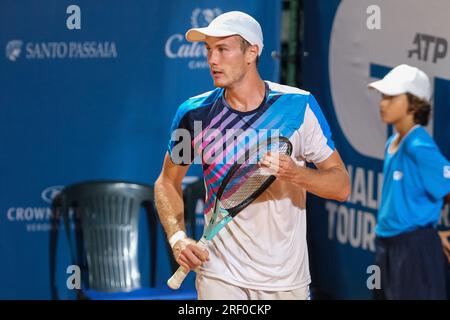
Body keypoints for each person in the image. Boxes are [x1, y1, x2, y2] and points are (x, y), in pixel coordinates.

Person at [155, 11, 350, 300]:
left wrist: (296, 173)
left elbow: (341, 186)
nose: (212, 60)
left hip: (285, 280)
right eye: (208, 50)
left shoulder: (299, 106)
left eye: (222, 49)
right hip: (219, 275)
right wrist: (177, 238)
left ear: (252, 52)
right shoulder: (193, 114)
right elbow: (167, 183)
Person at [368, 64, 450, 299]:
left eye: (392, 97)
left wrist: (434, 236)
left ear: (414, 103)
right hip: (387, 247)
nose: (383, 103)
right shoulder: (394, 141)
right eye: (383, 96)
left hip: (414, 251)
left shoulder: (419, 146)